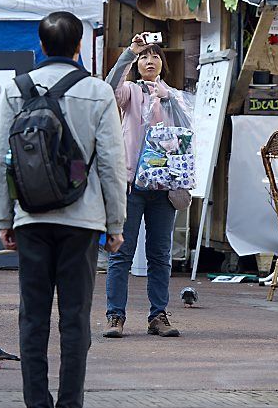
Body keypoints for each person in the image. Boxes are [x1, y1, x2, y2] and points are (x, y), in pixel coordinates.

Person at [0, 11, 127, 408]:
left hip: (31, 219)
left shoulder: (17, 89)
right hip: (82, 222)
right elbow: (111, 164)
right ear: (79, 46)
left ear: (42, 44)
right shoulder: (98, 91)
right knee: (75, 317)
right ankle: (70, 403)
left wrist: (5, 217)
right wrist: (114, 223)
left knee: (32, 316)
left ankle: (36, 402)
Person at [102, 33, 190, 339]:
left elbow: (186, 137)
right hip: (131, 185)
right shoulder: (130, 92)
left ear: (163, 62)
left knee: (160, 254)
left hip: (164, 187)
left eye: (154, 55)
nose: (149, 60)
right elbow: (110, 88)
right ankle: (115, 316)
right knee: (121, 253)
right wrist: (128, 52)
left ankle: (158, 315)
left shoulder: (175, 97)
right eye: (144, 56)